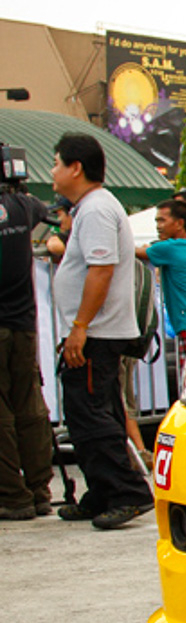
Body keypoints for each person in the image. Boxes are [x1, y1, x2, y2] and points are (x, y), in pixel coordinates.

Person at [49, 133, 153, 530]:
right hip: (95, 332)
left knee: (91, 416)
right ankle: (102, 492)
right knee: (94, 412)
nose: (53, 172)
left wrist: (80, 328)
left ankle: (126, 492)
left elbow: (101, 269)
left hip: (96, 334)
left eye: (57, 163)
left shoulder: (94, 210)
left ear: (76, 168)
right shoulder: (93, 207)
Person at [0, 177, 56, 519]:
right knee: (31, 406)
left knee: (1, 412)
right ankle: (39, 490)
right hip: (24, 325)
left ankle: (11, 495)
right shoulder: (23, 205)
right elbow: (43, 210)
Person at [136, 198, 186, 362]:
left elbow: (134, 251)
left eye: (162, 220)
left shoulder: (169, 248)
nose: (158, 226)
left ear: (179, 223)